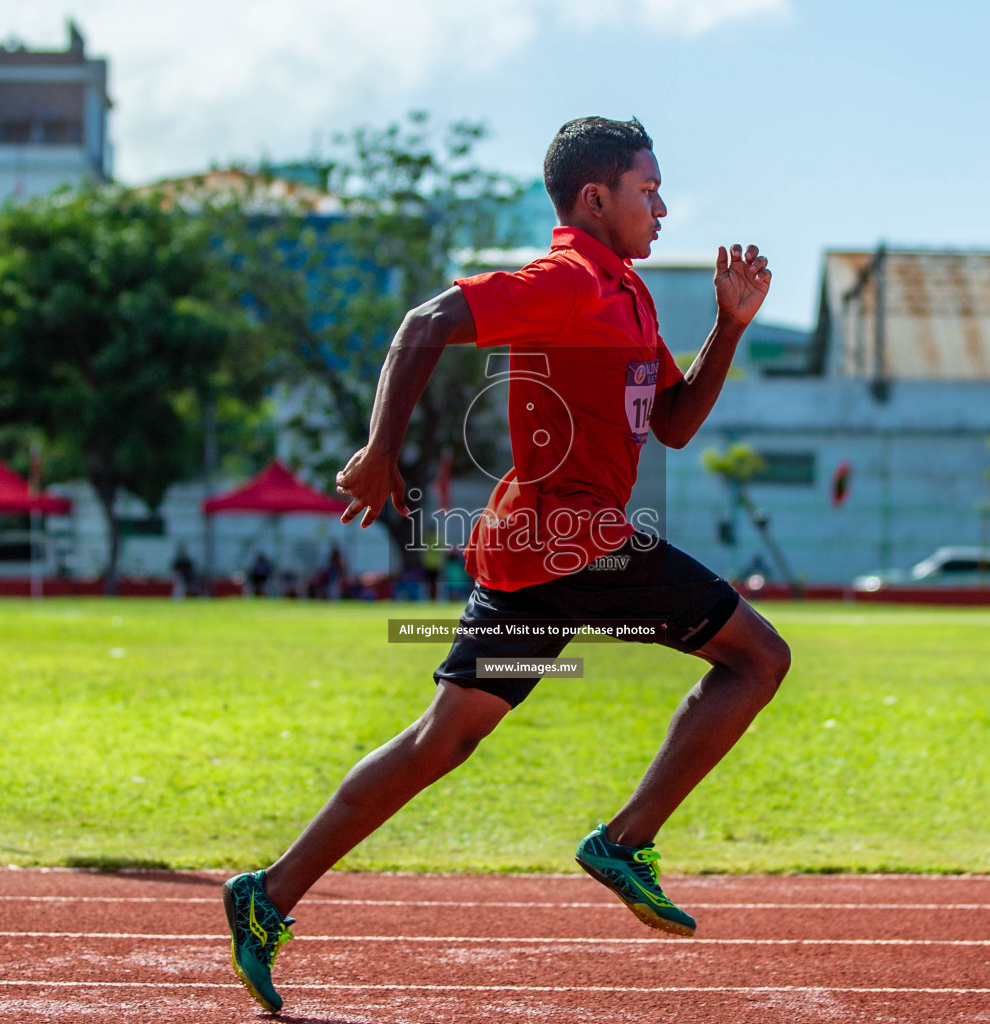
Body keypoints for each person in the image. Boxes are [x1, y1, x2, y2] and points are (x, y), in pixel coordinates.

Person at [221, 117, 789, 1014]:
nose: (664, 206)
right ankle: (626, 840)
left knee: (442, 739)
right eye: (649, 189)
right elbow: (426, 322)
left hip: (540, 559)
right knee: (758, 659)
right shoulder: (565, 279)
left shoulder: (629, 295)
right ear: (594, 198)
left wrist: (728, 325)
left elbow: (673, 424)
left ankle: (268, 896)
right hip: (578, 544)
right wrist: (379, 455)